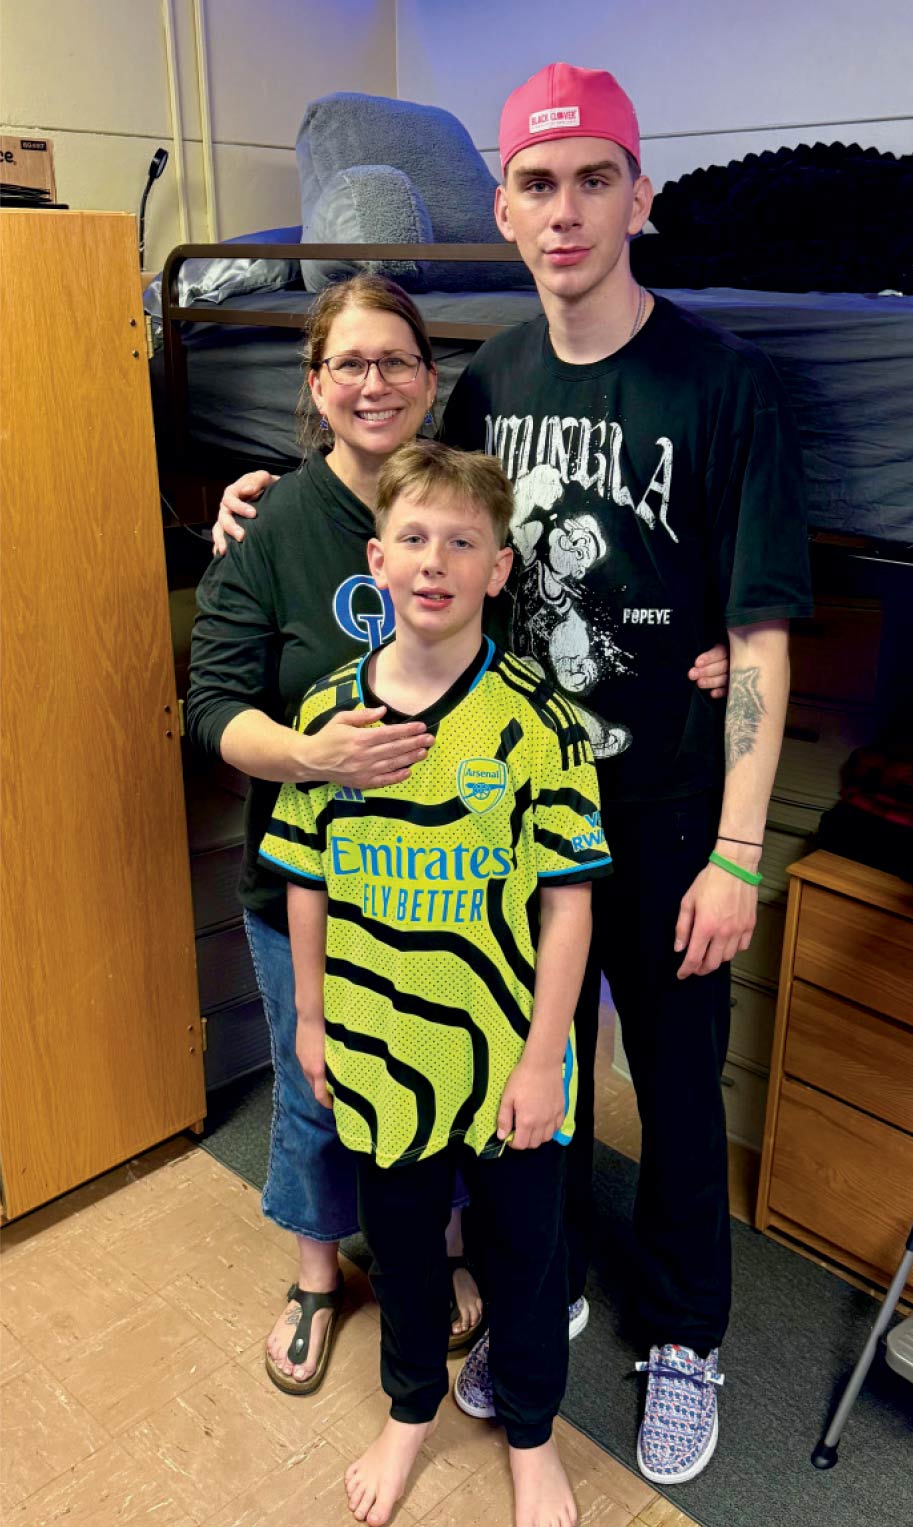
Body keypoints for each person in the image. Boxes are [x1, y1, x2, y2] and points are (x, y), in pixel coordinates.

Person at [434, 62, 813, 1486]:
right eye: (538, 183)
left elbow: (759, 634)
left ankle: (685, 1335)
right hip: (519, 815)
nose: (566, 210)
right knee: (527, 1071)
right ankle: (545, 1291)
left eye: (595, 179)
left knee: (676, 1086)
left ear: (639, 196)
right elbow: (417, 538)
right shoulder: (489, 382)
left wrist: (737, 851)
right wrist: (257, 503)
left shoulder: (723, 386)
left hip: (662, 816)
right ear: (504, 209)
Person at [259, 439, 608, 1527]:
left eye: (463, 542)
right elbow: (305, 877)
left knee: (525, 1258)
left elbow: (569, 905)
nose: (435, 560)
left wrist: (546, 1059)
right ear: (378, 559)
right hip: (376, 1046)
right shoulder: (331, 718)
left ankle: (532, 1436)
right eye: (412, 537)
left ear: (498, 569)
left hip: (507, 1056)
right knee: (406, 1253)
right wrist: (311, 1019)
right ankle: (409, 1411)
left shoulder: (542, 723)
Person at [186, 275, 488, 1396]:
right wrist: (315, 758)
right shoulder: (269, 525)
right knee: (317, 1088)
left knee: (436, 1070)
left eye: (395, 360)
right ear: (316, 387)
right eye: (348, 364)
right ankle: (317, 1275)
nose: (374, 383)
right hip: (303, 886)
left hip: (440, 876)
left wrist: (704, 650)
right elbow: (213, 706)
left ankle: (441, 1249)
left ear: (429, 379)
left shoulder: (464, 504)